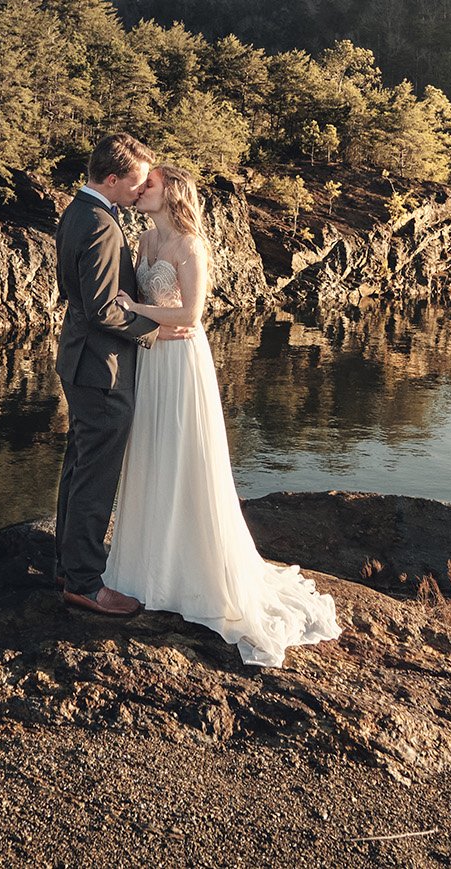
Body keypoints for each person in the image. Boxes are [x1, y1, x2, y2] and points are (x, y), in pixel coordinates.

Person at [105, 164, 341, 667]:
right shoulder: (144, 243)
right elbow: (144, 306)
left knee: (184, 454)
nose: (141, 188)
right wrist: (140, 314)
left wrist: (138, 310)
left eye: (150, 184)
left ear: (173, 192)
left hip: (181, 361)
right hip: (152, 355)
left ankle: (193, 570)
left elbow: (191, 316)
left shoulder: (190, 246)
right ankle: (149, 567)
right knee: (149, 453)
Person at [52, 132, 191, 616]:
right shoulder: (103, 226)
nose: (139, 190)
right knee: (95, 477)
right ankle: (86, 584)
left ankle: (68, 567)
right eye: (134, 182)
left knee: (78, 466)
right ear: (112, 179)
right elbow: (103, 312)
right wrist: (152, 333)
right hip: (102, 367)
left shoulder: (78, 212)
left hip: (78, 360)